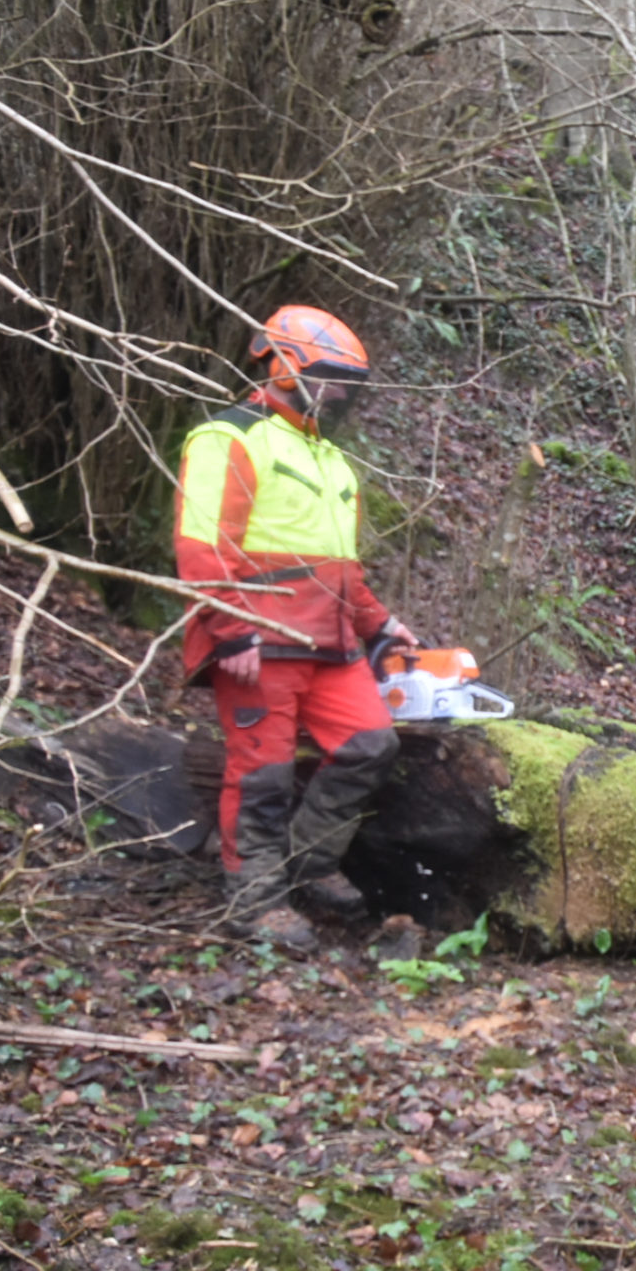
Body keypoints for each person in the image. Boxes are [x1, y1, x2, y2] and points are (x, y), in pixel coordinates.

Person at [175, 305, 416, 949]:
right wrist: (229, 627)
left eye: (346, 384)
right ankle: (254, 900)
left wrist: (379, 624)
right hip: (260, 641)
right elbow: (203, 545)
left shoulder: (330, 460)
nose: (338, 395)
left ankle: (309, 860)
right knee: (263, 775)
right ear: (285, 368)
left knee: (371, 746)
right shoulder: (228, 438)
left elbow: (341, 567)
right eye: (329, 380)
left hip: (330, 642)